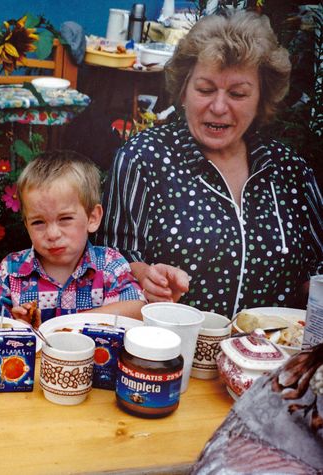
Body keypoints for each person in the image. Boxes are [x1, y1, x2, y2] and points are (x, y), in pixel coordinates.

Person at [97, 11, 323, 317]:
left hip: (274, 356)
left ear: (261, 99)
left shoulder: (287, 169)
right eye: (205, 90)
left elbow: (317, 268)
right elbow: (112, 260)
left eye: (238, 94)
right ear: (184, 91)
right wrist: (146, 276)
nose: (218, 107)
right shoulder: (144, 158)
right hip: (175, 353)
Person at [0, 150, 146, 325]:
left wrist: (70, 323)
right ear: (26, 225)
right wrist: (18, 325)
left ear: (92, 218)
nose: (53, 234)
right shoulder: (11, 272)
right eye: (38, 222)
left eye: (65, 219)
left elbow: (137, 309)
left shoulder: (109, 265)